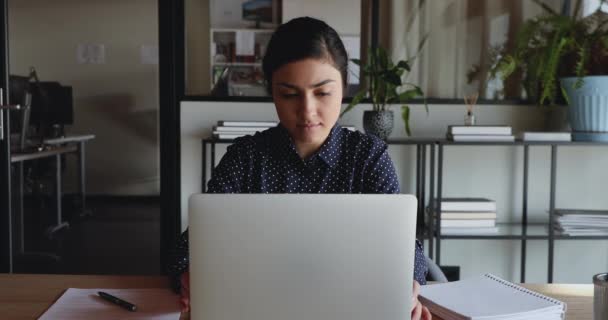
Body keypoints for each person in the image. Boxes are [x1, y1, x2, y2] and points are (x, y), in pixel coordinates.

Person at [168, 16, 431, 320]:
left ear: (344, 87)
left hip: (350, 307)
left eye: (322, 92)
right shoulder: (245, 157)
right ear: (272, 92)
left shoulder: (368, 156)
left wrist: (408, 284)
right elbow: (193, 243)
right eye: (289, 94)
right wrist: (188, 274)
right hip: (256, 307)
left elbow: (402, 246)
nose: (307, 111)